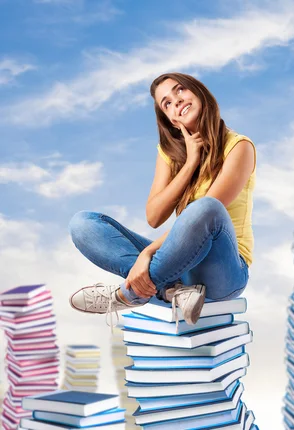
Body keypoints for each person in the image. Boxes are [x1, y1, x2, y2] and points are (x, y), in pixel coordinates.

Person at [67, 72, 256, 326]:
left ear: (199, 93)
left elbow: (210, 211)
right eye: (166, 103)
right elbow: (154, 216)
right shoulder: (169, 154)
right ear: (171, 120)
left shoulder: (239, 147)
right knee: (83, 224)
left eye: (180, 90)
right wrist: (190, 163)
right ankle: (172, 291)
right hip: (181, 271)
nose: (176, 101)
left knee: (207, 208)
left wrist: (147, 254)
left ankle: (129, 294)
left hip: (225, 273)